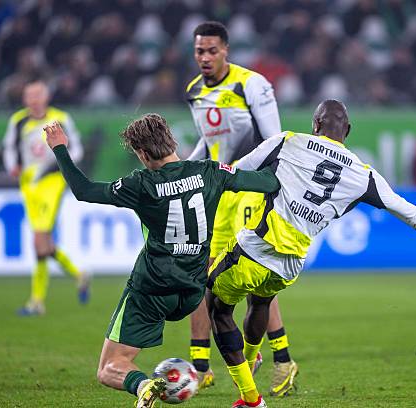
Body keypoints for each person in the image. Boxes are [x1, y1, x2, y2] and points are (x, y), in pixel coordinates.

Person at [206, 99, 416, 408]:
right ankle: (249, 360)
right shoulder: (363, 175)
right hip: (291, 264)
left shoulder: (288, 142)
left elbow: (234, 172)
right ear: (348, 130)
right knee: (261, 301)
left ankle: (251, 399)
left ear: (315, 124)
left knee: (217, 306)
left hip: (258, 248)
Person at [43, 114, 281, 408]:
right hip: (192, 292)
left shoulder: (141, 183)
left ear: (143, 154)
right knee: (223, 307)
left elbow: (84, 190)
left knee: (109, 367)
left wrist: (60, 148)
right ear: (172, 141)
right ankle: (244, 372)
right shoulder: (210, 171)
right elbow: (267, 181)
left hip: (152, 290)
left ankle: (144, 385)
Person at [185, 21, 297, 395]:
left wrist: (268, 188)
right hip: (218, 194)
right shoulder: (194, 91)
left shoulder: (252, 84)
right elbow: (208, 144)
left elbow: (274, 141)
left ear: (226, 51)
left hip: (249, 191)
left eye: (211, 50)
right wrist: (184, 170)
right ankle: (201, 367)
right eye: (199, 51)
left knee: (253, 277)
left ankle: (282, 359)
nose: (205, 57)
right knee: (203, 275)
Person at [2, 80, 88, 316]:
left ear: (46, 97)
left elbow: (77, 149)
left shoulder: (60, 118)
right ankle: (79, 275)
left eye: (38, 95)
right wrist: (13, 166)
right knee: (44, 245)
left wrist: (60, 161)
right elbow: (10, 148)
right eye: (30, 95)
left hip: (52, 182)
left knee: (38, 240)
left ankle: (37, 302)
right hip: (29, 184)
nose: (34, 100)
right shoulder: (18, 121)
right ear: (24, 99)